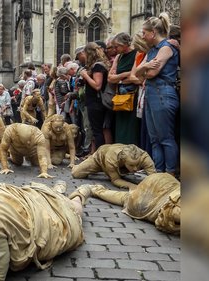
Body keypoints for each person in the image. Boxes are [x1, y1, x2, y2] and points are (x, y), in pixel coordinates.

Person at [136, 13, 180, 176]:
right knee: (155, 139)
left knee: (165, 138)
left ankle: (169, 173)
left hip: (163, 94)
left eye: (144, 33)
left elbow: (151, 74)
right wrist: (144, 67)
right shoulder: (153, 50)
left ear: (153, 32)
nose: (142, 36)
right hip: (152, 94)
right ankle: (157, 173)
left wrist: (144, 68)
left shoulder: (166, 47)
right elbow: (137, 75)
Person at [75, 173, 180, 234]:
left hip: (163, 185)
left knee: (125, 197)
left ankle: (93, 190)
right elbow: (163, 221)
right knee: (127, 198)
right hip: (153, 191)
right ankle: (93, 190)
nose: (134, 169)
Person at [71, 143, 156, 189]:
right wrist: (133, 186)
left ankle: (111, 171)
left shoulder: (144, 157)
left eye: (138, 164)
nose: (136, 169)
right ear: (123, 160)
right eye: (131, 165)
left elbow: (154, 177)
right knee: (76, 173)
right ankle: (83, 165)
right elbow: (116, 180)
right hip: (100, 158)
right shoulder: (111, 159)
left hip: (113, 164)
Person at [108, 32, 140, 145]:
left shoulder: (137, 54)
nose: (115, 49)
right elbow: (110, 78)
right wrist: (123, 76)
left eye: (117, 46)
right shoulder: (118, 56)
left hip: (132, 95)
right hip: (120, 97)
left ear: (125, 44)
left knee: (131, 127)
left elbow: (135, 76)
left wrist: (119, 78)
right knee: (120, 127)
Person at [80, 42, 110, 152]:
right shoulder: (98, 65)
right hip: (95, 101)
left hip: (96, 102)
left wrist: (86, 76)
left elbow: (97, 85)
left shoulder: (97, 66)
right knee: (97, 130)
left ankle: (99, 156)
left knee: (97, 131)